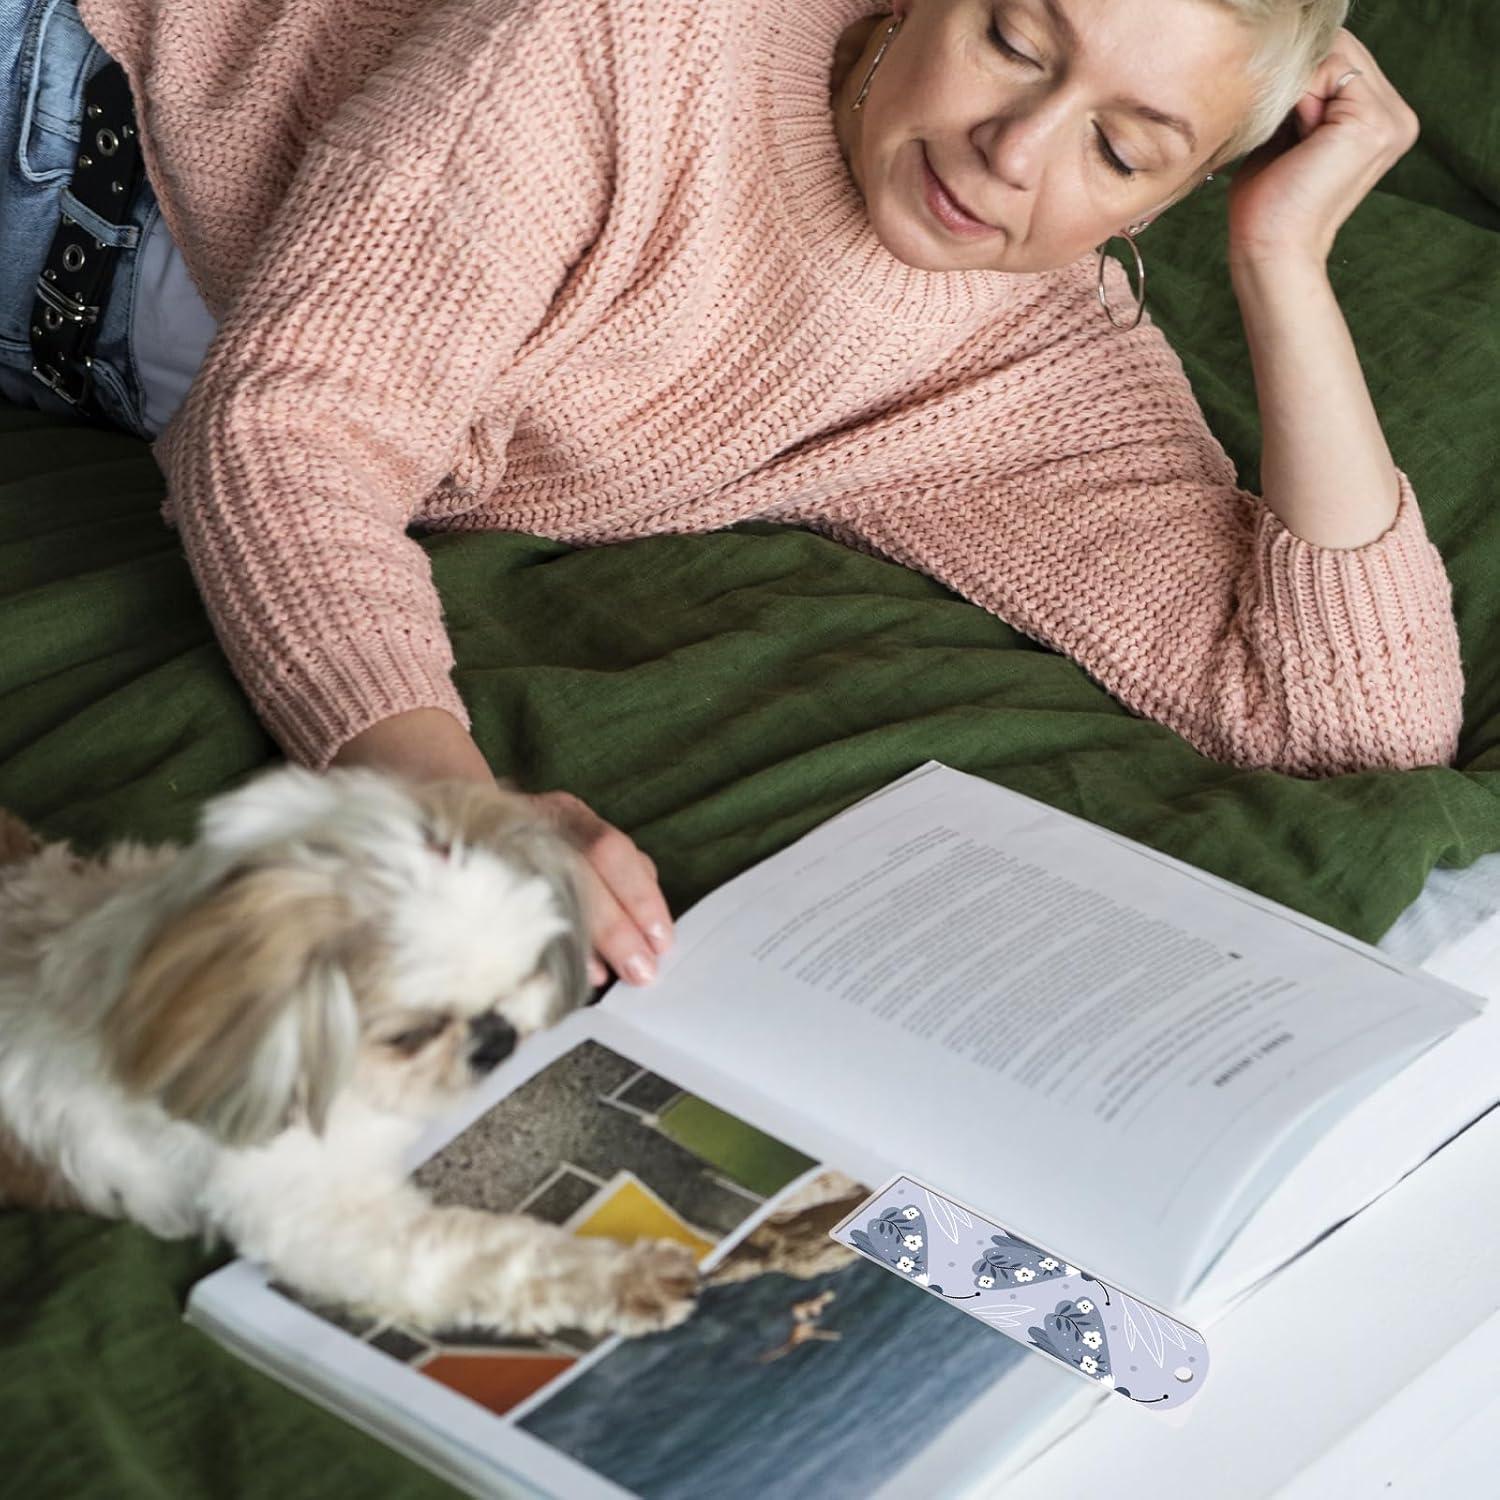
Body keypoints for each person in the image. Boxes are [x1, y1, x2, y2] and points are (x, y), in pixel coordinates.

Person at [1, 0, 1462, 992]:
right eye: (1015, 39)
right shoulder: (640, 34)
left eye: (1122, 147)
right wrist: (446, 798)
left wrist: (1285, 260)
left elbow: (1351, 723)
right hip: (62, 118)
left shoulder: (1031, 353)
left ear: (1169, 198)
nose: (1015, 150)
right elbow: (294, 429)